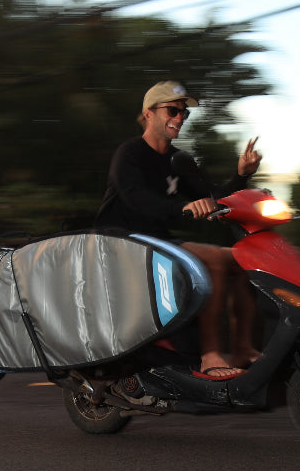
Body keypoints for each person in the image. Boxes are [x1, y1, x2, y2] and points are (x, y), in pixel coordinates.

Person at [95, 81, 262, 377]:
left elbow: (211, 197)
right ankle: (210, 357)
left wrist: (240, 176)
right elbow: (136, 198)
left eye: (184, 113)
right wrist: (182, 207)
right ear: (148, 114)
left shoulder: (179, 160)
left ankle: (242, 349)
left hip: (157, 242)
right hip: (123, 244)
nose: (180, 118)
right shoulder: (130, 153)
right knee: (211, 258)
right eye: (172, 110)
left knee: (240, 259)